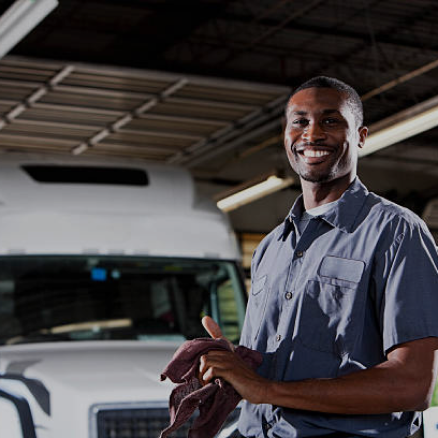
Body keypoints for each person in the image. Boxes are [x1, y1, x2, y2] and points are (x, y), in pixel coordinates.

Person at [199, 76, 438, 438]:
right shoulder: (271, 248)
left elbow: (413, 385)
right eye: (300, 121)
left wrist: (266, 390)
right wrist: (236, 363)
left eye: (331, 121)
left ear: (359, 135)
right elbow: (272, 371)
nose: (312, 133)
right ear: (286, 134)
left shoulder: (396, 231)